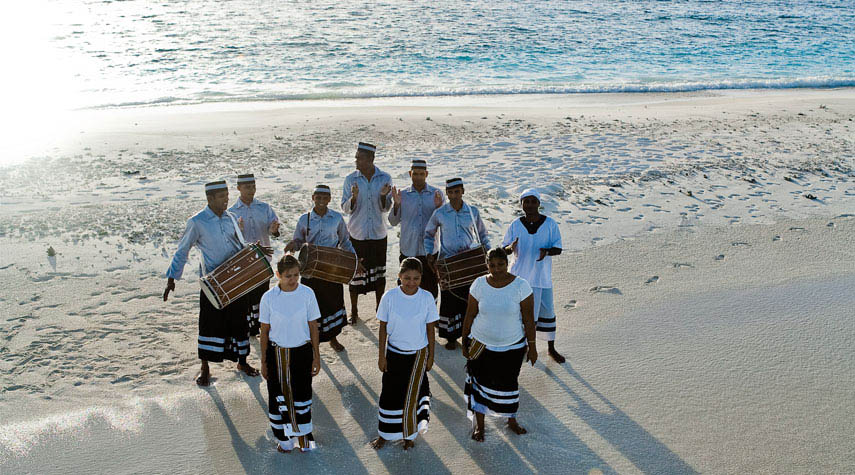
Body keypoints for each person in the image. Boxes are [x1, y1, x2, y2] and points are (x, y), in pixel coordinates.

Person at [163, 180, 261, 386]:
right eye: (221, 196)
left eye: (227, 195)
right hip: (212, 284)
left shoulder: (231, 217)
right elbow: (183, 250)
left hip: (235, 280)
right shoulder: (197, 222)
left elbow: (240, 245)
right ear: (210, 198)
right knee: (209, 324)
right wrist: (172, 278)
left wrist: (255, 251)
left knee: (240, 323)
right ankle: (205, 367)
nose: (226, 200)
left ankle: (242, 363)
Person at [461, 247, 537, 442]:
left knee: (509, 384)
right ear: (487, 265)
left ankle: (511, 420)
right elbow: (470, 315)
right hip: (480, 344)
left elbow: (529, 320)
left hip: (512, 346)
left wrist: (533, 347)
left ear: (507, 263)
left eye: (501, 265)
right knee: (479, 384)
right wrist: (464, 340)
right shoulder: (479, 284)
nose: (497, 269)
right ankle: (480, 426)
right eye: (492, 265)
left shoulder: (521, 286)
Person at [370, 257, 438, 451]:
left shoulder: (426, 297)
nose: (411, 282)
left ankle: (409, 434)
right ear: (399, 276)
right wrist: (381, 356)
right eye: (407, 278)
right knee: (389, 394)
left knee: (412, 396)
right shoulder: (389, 297)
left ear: (421, 278)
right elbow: (383, 328)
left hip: (417, 356)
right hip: (394, 354)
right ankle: (385, 434)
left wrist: (431, 356)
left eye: (416, 278)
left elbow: (430, 329)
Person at [259, 255, 322, 453]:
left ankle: (304, 442)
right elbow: (264, 332)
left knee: (302, 396)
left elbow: (313, 326)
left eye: (296, 275)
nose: (293, 279)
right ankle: (285, 442)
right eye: (288, 276)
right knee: (278, 398)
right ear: (278, 275)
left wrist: (316, 356)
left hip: (302, 353)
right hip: (276, 355)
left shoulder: (307, 293)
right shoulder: (268, 297)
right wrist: (263, 361)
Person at [284, 184, 356, 352]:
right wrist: (293, 245)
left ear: (329, 199)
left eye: (324, 197)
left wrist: (354, 261)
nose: (321, 201)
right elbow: (299, 241)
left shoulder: (336, 218)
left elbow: (345, 241)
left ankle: (333, 338)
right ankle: (311, 341)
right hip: (310, 270)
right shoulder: (304, 219)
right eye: (318, 197)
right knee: (311, 306)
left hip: (331, 269)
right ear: (313, 198)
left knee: (332, 303)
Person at [424, 178, 490, 350]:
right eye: (451, 192)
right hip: (448, 261)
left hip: (469, 261)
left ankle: (470, 335)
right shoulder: (440, 213)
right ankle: (451, 337)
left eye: (457, 192)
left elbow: (483, 234)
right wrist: (430, 254)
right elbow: (429, 234)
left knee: (470, 299)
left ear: (463, 191)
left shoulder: (472, 211)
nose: (454, 195)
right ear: (447, 193)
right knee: (449, 300)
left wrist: (489, 253)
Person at [501, 189, 565, 363]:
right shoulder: (515, 224)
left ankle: (551, 348)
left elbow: (558, 248)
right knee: (523, 315)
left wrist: (547, 251)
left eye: (533, 201)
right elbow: (504, 249)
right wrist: (510, 248)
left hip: (541, 277)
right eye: (526, 201)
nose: (529, 205)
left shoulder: (550, 224)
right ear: (521, 204)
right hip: (519, 277)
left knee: (548, 311)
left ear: (538, 203)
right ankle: (523, 347)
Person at [340, 142, 393, 324]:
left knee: (379, 276)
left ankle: (379, 309)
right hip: (357, 234)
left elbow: (386, 208)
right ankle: (354, 311)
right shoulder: (350, 179)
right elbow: (345, 208)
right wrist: (354, 198)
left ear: (371, 159)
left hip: (378, 234)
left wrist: (383, 196)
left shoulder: (385, 178)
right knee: (355, 275)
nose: (356, 161)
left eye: (360, 158)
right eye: (356, 158)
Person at [228, 173, 280, 338]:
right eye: (247, 187)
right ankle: (249, 329)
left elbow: (273, 230)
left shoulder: (264, 208)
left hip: (262, 261)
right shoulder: (231, 212)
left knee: (262, 295)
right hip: (243, 262)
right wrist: (238, 231)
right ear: (239, 188)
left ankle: (261, 327)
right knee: (246, 296)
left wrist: (273, 230)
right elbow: (230, 239)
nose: (251, 190)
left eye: (253, 187)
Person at [388, 159, 444, 299]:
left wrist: (439, 208)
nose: (418, 177)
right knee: (406, 289)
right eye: (415, 174)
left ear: (426, 174)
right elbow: (393, 222)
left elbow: (443, 223)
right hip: (408, 249)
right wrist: (397, 205)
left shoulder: (436, 194)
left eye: (421, 174)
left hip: (429, 252)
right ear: (410, 174)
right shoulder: (403, 194)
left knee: (431, 290)